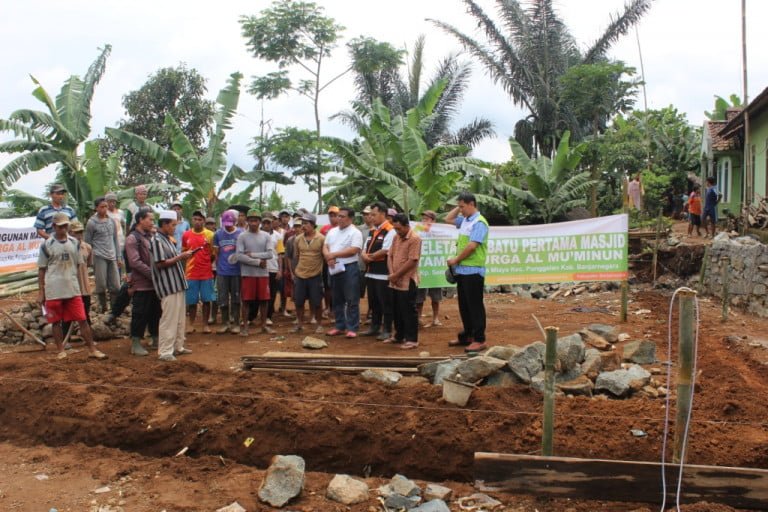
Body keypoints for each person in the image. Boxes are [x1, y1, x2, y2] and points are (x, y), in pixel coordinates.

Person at [37, 213, 106, 360]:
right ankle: (61, 349)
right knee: (55, 321)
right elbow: (41, 269)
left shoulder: (75, 243)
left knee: (82, 319)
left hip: (73, 288)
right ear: (54, 226)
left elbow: (80, 264)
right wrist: (41, 291)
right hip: (53, 289)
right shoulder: (46, 245)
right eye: (60, 226)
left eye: (65, 226)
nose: (63, 229)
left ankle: (92, 349)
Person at [445, 191, 489, 352]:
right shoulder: (465, 220)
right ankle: (468, 334)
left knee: (475, 305)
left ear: (472, 204)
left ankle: (479, 339)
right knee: (464, 305)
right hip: (463, 271)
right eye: (459, 206)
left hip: (473, 271)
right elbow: (447, 219)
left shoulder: (479, 222)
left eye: (463, 206)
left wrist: (456, 260)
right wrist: (458, 207)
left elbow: (472, 246)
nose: (461, 210)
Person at [151, 210, 194, 362]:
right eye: (173, 225)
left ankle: (178, 346)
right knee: (169, 319)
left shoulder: (167, 239)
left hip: (177, 283)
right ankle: (165, 351)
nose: (175, 228)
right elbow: (160, 263)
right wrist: (180, 257)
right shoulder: (156, 240)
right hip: (167, 285)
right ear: (164, 224)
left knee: (179, 318)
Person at [323, 206, 363, 338]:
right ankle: (339, 326)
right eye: (338, 216)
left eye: (342, 216)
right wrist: (328, 256)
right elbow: (325, 246)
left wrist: (333, 255)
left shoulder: (355, 232)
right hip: (334, 267)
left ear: (350, 218)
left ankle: (352, 327)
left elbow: (354, 250)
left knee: (351, 299)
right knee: (336, 298)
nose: (338, 219)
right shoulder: (332, 231)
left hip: (349, 267)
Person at [125, 208, 160, 356]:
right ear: (141, 220)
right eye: (150, 219)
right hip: (141, 284)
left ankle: (155, 337)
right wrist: (151, 274)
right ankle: (136, 343)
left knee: (155, 312)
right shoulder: (133, 238)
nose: (152, 222)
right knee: (140, 313)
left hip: (153, 283)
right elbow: (134, 262)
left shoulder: (150, 236)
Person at [361, 202, 396, 341]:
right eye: (370, 215)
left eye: (374, 214)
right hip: (370, 272)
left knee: (385, 302)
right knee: (373, 302)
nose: (371, 217)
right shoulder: (372, 231)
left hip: (383, 273)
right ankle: (374, 327)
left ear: (383, 214)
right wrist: (364, 256)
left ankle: (387, 329)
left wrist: (370, 258)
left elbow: (386, 250)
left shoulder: (390, 230)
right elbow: (364, 248)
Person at [236, 210, 274, 336]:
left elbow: (269, 254)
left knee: (264, 300)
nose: (253, 223)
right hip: (248, 273)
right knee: (246, 301)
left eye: (256, 220)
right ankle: (245, 326)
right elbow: (239, 256)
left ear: (260, 222)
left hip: (262, 274)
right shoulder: (242, 236)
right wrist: (258, 262)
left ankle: (263, 325)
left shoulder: (266, 236)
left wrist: (252, 254)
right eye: (251, 220)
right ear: (247, 221)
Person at [387, 213, 422, 349]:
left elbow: (412, 260)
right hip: (395, 280)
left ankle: (412, 339)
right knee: (396, 309)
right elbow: (389, 256)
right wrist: (392, 274)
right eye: (395, 229)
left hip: (408, 280)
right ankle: (399, 335)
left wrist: (396, 275)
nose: (397, 231)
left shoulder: (415, 239)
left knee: (408, 310)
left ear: (407, 226)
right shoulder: (396, 237)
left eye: (399, 228)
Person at [85, 197, 121, 313]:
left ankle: (115, 308)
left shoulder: (111, 221)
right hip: (99, 256)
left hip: (112, 255)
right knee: (101, 284)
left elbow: (115, 239)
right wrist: (89, 260)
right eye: (102, 207)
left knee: (115, 285)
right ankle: (103, 307)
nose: (104, 209)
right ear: (96, 208)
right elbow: (88, 243)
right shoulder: (91, 223)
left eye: (105, 206)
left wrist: (118, 256)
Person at [182, 211, 215, 334]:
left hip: (206, 272)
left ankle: (205, 325)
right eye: (195, 219)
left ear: (204, 221)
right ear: (192, 220)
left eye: (200, 219)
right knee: (192, 301)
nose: (197, 221)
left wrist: (206, 263)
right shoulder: (186, 235)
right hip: (191, 273)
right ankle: (191, 324)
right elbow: (184, 252)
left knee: (207, 300)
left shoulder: (210, 235)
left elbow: (213, 253)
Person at [292, 213, 325, 334]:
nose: (303, 226)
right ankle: (299, 324)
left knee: (317, 302)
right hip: (300, 275)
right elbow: (296, 256)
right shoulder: (298, 239)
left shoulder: (321, 238)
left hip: (315, 275)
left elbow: (324, 256)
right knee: (299, 301)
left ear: (313, 225)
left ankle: (319, 324)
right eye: (302, 224)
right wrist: (295, 272)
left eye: (306, 223)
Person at [213, 210, 243, 334]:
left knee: (236, 298)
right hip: (222, 272)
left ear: (235, 221)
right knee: (223, 298)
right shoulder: (218, 234)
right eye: (226, 223)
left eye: (230, 223)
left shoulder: (241, 233)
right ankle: (225, 323)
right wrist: (219, 267)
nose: (228, 225)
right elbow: (216, 253)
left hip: (237, 271)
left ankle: (236, 323)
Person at [415, 210, 444, 327]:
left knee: (436, 296)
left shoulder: (440, 232)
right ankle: (418, 318)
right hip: (422, 267)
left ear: (433, 221)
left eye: (427, 219)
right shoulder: (417, 231)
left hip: (434, 267)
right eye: (423, 219)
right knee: (419, 296)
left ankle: (435, 318)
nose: (424, 221)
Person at [69, 220, 93, 325]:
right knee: (69, 313)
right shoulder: (66, 248)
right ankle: (66, 337)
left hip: (84, 285)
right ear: (70, 233)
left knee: (85, 311)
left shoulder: (87, 247)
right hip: (70, 286)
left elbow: (88, 264)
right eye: (76, 232)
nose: (79, 235)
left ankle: (88, 333)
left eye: (81, 232)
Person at [261, 213, 283, 325]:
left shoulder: (278, 236)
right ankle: (252, 316)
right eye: (264, 222)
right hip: (259, 269)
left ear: (272, 223)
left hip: (273, 268)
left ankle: (268, 316)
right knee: (259, 294)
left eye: (268, 222)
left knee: (272, 294)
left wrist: (280, 269)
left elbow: (279, 254)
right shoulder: (256, 234)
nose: (266, 225)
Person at [105, 192, 126, 256]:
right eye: (110, 202)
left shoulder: (120, 212)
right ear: (106, 202)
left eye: (114, 202)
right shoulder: (104, 213)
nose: (112, 204)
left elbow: (124, 224)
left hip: (120, 242)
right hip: (109, 243)